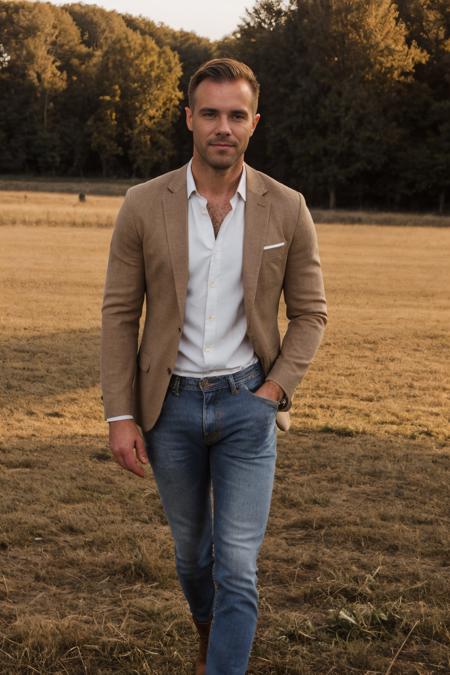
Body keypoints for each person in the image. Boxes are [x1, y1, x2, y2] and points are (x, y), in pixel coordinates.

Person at [101, 58, 327, 675]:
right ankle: (209, 630)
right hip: (166, 409)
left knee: (236, 563)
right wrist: (121, 416)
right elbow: (121, 315)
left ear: (254, 122)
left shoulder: (288, 208)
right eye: (210, 113)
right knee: (193, 557)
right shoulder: (144, 204)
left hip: (246, 405)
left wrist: (273, 390)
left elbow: (311, 314)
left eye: (235, 115)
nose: (222, 126)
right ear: (189, 120)